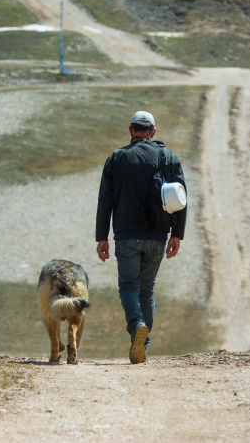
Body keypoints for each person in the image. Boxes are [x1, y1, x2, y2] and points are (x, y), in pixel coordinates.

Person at [95, 110, 187, 364]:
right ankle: (142, 345)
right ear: (153, 132)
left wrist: (101, 237)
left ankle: (137, 325)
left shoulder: (117, 158)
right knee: (146, 291)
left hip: (126, 236)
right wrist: (177, 234)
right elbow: (180, 197)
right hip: (158, 235)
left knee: (128, 286)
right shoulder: (169, 157)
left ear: (131, 130)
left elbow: (105, 201)